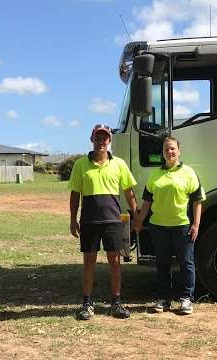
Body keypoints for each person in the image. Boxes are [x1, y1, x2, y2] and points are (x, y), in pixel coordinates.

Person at [69, 124, 137, 320]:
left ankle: (116, 303)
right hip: (89, 221)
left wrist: (137, 215)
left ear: (110, 140)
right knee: (89, 262)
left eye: (104, 138)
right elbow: (75, 194)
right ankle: (87, 304)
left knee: (115, 262)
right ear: (92, 139)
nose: (101, 141)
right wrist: (73, 220)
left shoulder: (119, 164)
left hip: (113, 221)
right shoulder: (80, 164)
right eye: (97, 138)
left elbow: (129, 192)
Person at [132, 136, 204, 315]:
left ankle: (186, 299)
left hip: (181, 226)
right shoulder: (155, 174)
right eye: (166, 149)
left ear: (179, 151)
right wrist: (139, 221)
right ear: (163, 153)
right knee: (162, 264)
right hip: (158, 227)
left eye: (172, 148)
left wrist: (196, 224)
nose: (170, 152)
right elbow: (147, 201)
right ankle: (164, 299)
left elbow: (197, 201)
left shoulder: (188, 173)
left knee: (186, 263)